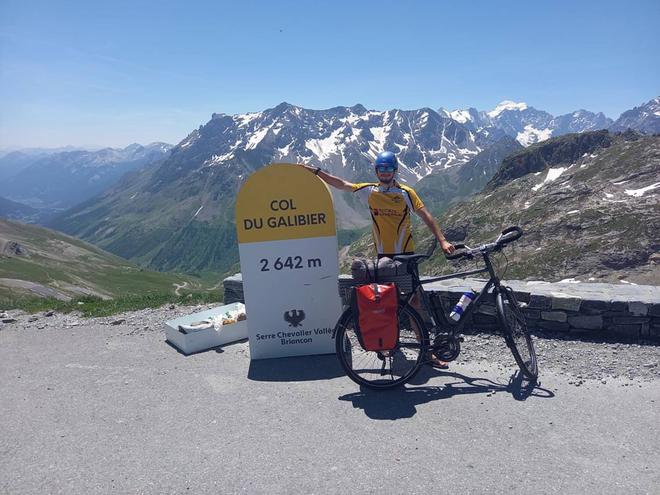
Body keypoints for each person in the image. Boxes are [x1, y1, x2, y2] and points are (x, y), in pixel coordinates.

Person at [300, 151, 455, 368]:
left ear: (395, 171)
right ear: (376, 171)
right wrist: (316, 172)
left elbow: (426, 215)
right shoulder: (369, 191)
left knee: (415, 303)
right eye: (381, 169)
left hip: (405, 256)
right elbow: (341, 184)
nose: (385, 173)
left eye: (388, 169)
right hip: (383, 257)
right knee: (386, 301)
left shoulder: (406, 193)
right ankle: (389, 343)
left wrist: (443, 241)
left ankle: (427, 353)